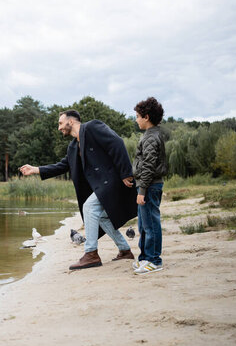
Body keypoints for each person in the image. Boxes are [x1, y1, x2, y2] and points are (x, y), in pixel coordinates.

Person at [20, 110, 137, 270]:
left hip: (114, 180)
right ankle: (124, 250)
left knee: (89, 207)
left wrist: (126, 173)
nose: (59, 128)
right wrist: (36, 169)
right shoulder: (73, 146)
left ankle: (91, 254)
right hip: (101, 187)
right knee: (103, 218)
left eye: (61, 123)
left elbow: (116, 143)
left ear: (71, 121)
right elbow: (62, 166)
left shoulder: (92, 127)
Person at [132, 97, 167, 274]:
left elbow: (149, 165)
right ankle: (145, 258)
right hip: (146, 185)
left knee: (151, 224)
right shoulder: (149, 135)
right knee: (144, 225)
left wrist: (142, 190)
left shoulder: (151, 137)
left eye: (137, 116)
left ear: (146, 117)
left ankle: (154, 260)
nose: (136, 120)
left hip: (150, 186)